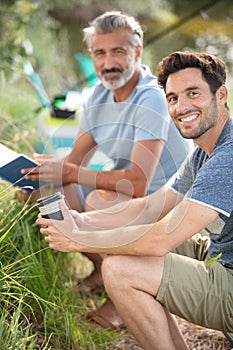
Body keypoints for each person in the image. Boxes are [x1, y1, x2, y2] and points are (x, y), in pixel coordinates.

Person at [37, 51, 233, 350]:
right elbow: (150, 207)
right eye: (172, 98)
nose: (181, 107)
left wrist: (78, 239)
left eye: (193, 93)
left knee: (118, 270)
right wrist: (82, 221)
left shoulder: (228, 156)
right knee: (142, 230)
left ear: (221, 95)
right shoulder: (204, 152)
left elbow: (159, 241)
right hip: (221, 258)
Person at [21, 10, 193, 318]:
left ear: (137, 52)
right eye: (99, 53)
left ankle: (123, 298)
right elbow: (72, 162)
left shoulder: (152, 97)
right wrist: (42, 170)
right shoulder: (97, 96)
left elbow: (139, 182)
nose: (107, 62)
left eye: (118, 51)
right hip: (131, 196)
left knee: (102, 199)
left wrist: (71, 171)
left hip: (169, 204)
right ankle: (103, 270)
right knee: (43, 191)